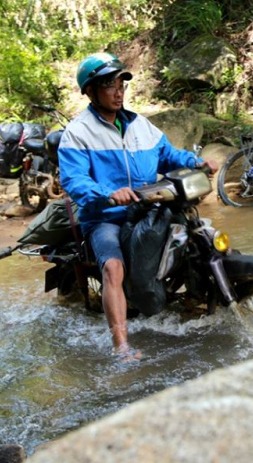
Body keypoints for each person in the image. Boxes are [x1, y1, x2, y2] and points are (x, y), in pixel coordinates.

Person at [58, 53, 218, 360]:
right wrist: (107, 193)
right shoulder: (77, 133)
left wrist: (197, 162)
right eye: (109, 85)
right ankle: (122, 346)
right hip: (106, 216)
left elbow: (169, 155)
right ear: (90, 91)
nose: (118, 91)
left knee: (196, 238)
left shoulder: (141, 125)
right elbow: (74, 180)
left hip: (147, 208)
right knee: (113, 267)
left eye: (121, 83)